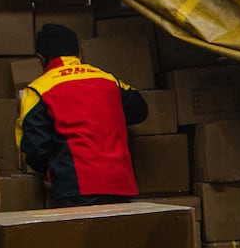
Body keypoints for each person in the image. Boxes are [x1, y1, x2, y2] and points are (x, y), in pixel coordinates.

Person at [17, 23, 149, 208]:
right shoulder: (107, 79)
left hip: (75, 189)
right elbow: (140, 110)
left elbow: (35, 149)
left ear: (41, 59)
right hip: (119, 184)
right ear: (77, 54)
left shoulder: (38, 89)